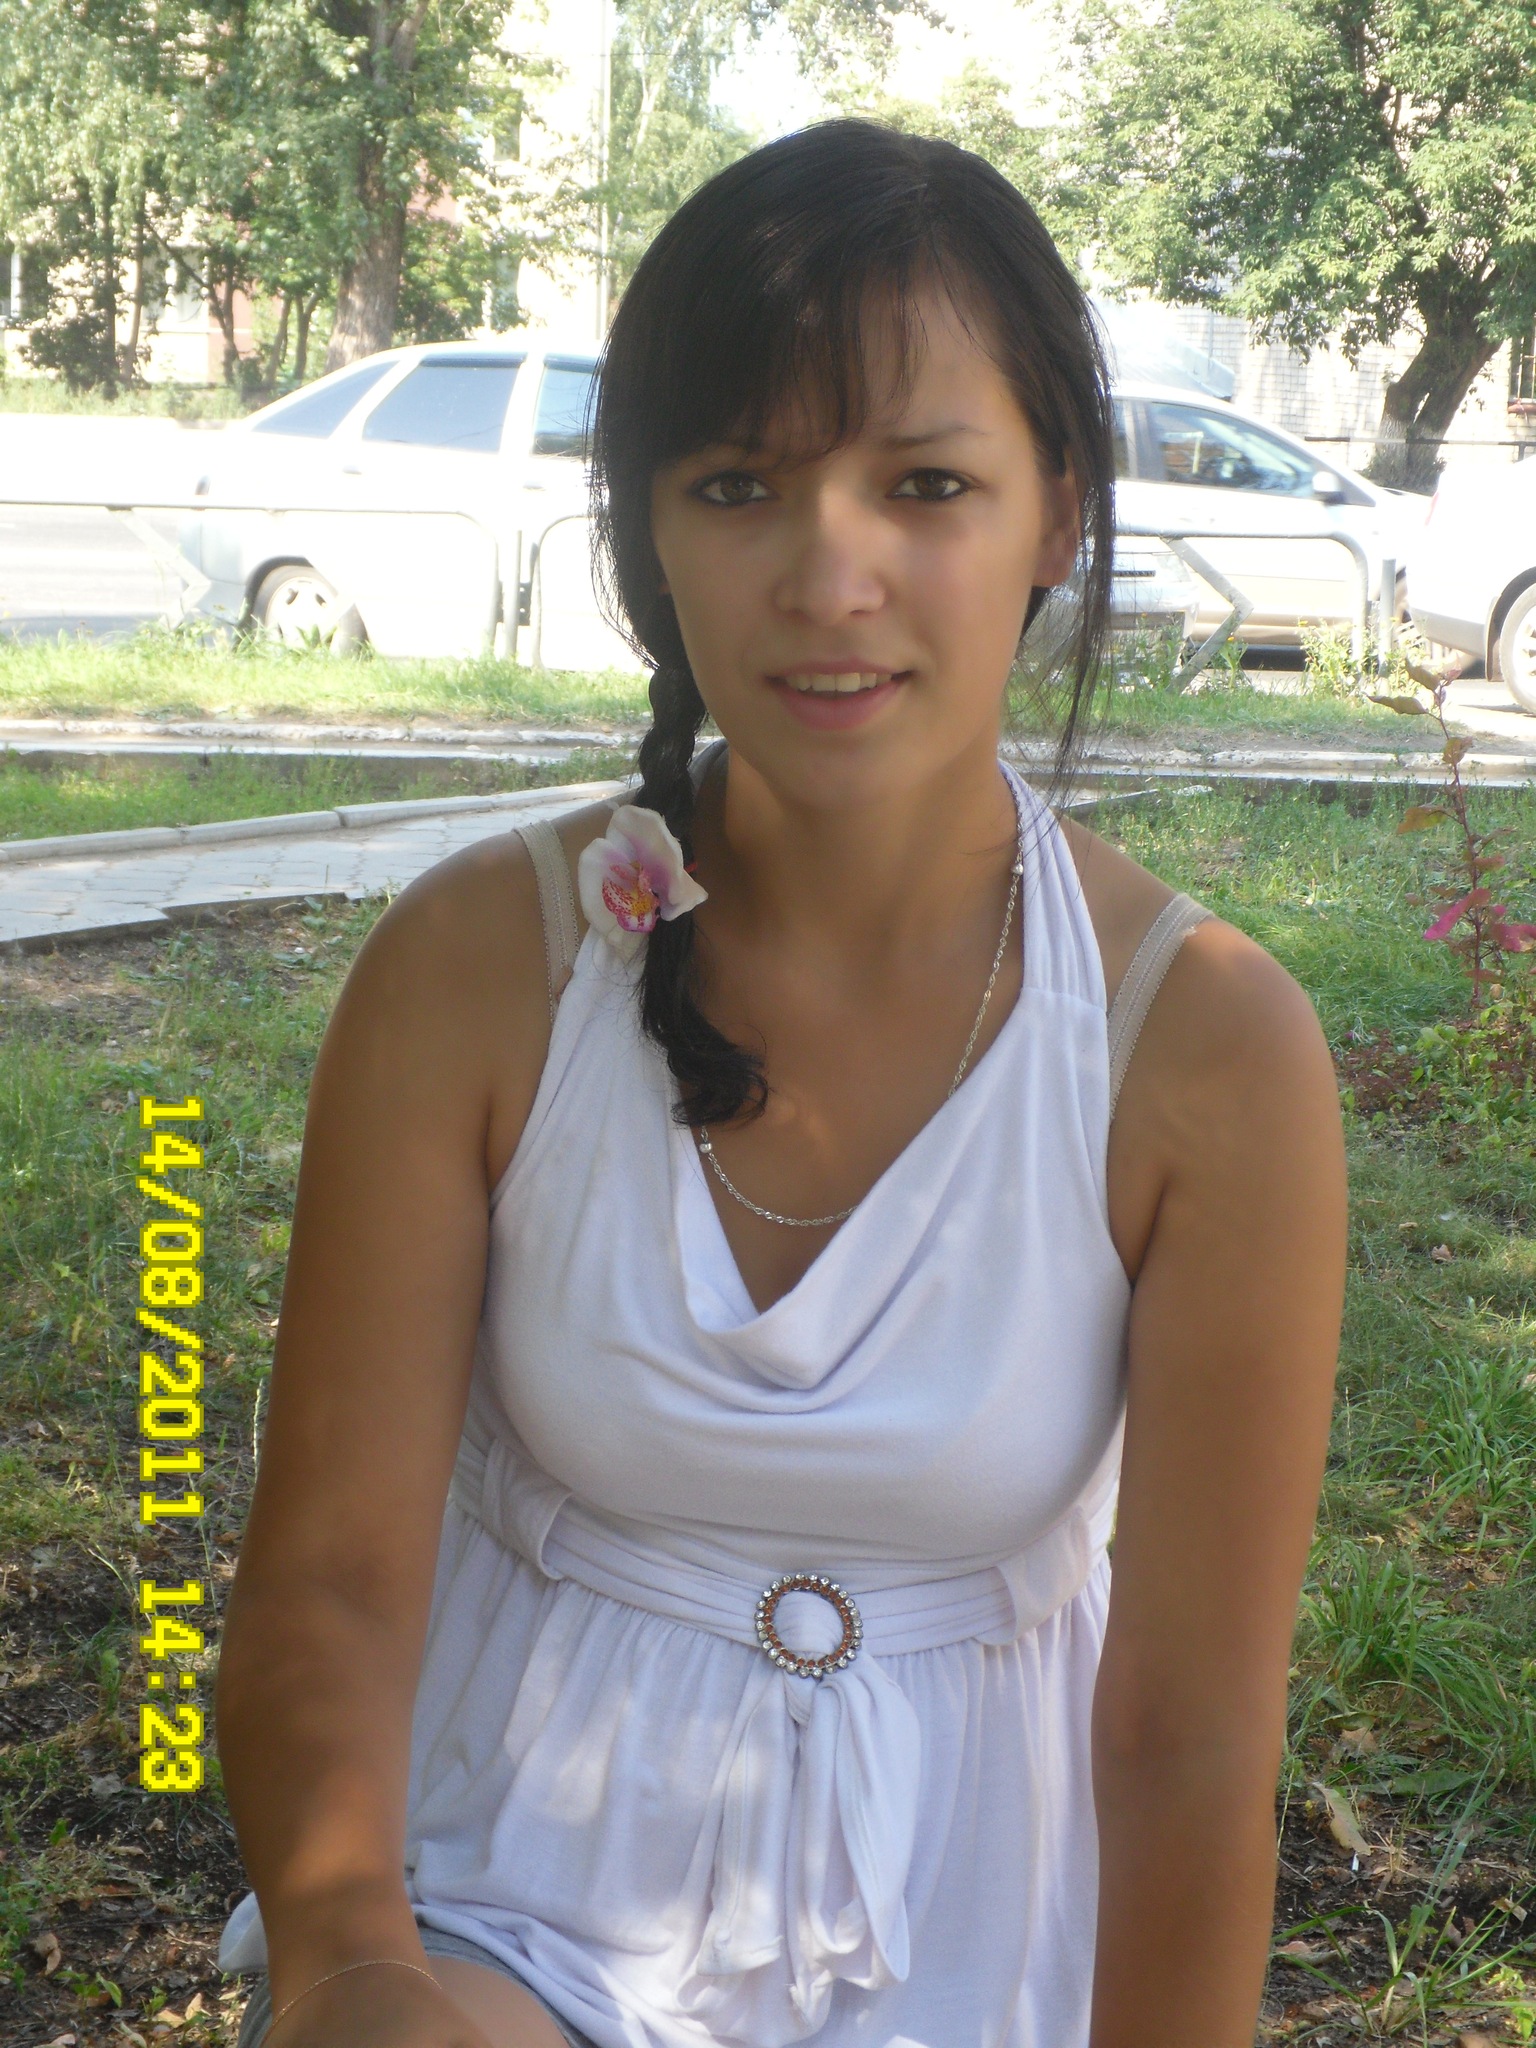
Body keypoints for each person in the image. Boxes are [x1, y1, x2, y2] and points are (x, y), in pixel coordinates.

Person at [214, 119, 1347, 2048]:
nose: (831, 574)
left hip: (973, 1951)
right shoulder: (477, 973)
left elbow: (1190, 1735)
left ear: (1057, 518)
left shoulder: (1206, 1049)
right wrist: (349, 1961)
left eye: (926, 484)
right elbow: (324, 1578)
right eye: (739, 482)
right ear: (649, 534)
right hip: (507, 1918)